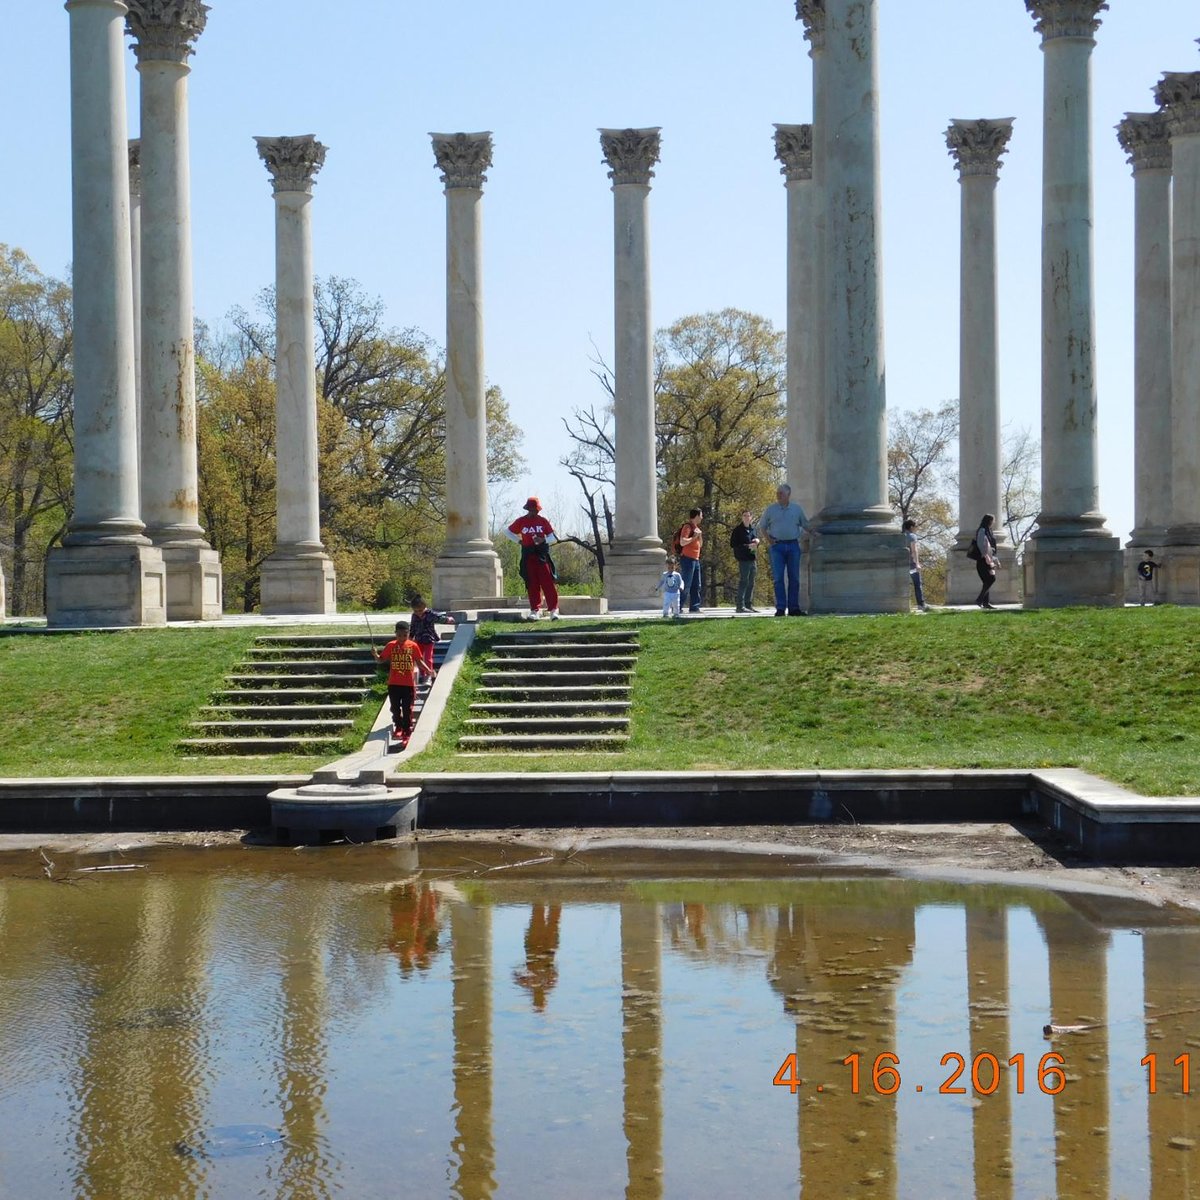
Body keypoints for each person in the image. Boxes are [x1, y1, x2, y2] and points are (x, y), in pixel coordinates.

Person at [374, 619, 436, 741]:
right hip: (393, 684)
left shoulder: (413, 646)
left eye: (405, 635)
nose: (402, 637)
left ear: (408, 633)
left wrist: (428, 670)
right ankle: (398, 727)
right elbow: (381, 660)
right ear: (395, 634)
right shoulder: (391, 645)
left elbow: (419, 661)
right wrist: (375, 654)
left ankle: (407, 731)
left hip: (408, 684)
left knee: (407, 709)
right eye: (399, 635)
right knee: (395, 708)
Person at [505, 497, 560, 620]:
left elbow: (554, 537)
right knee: (532, 583)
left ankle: (553, 610)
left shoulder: (543, 521)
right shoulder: (521, 521)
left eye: (536, 509)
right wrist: (519, 541)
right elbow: (507, 532)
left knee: (548, 582)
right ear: (528, 509)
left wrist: (543, 540)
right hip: (528, 554)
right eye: (532, 509)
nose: (534, 512)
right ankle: (534, 610)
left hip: (541, 555)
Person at [759, 484, 808, 616]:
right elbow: (762, 527)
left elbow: (805, 524)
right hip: (777, 547)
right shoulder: (771, 509)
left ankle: (793, 608)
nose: (778, 495)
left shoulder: (796, 509)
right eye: (777, 493)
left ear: (788, 495)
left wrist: (816, 533)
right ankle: (780, 608)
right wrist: (769, 540)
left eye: (781, 493)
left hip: (793, 546)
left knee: (794, 578)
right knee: (778, 578)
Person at [410, 596, 455, 674]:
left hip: (429, 640)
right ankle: (422, 673)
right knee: (419, 658)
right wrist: (410, 637)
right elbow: (413, 627)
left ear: (425, 607)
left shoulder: (430, 614)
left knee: (428, 658)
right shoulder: (414, 616)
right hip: (418, 640)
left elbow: (439, 618)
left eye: (420, 610)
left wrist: (448, 619)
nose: (418, 613)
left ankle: (428, 674)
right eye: (415, 611)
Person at [730, 510, 761, 613]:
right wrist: (747, 546)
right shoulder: (738, 530)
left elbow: (755, 540)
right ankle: (740, 606)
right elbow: (733, 545)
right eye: (744, 516)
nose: (746, 517)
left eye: (748, 516)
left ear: (751, 517)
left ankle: (748, 604)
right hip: (743, 559)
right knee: (744, 581)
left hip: (752, 558)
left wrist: (757, 541)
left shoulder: (753, 529)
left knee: (751, 582)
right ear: (742, 517)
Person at [675, 508, 704, 613]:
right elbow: (682, 542)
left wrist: (699, 536)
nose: (702, 517)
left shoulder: (697, 528)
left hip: (696, 559)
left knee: (697, 584)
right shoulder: (688, 527)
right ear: (696, 516)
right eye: (701, 515)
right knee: (686, 584)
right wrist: (694, 537)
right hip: (687, 559)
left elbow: (700, 545)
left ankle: (694, 607)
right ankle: (677, 606)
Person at [972, 514, 1000, 609]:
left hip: (989, 560)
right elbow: (981, 544)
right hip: (983, 560)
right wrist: (986, 557)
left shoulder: (990, 531)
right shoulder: (982, 530)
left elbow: (992, 548)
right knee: (991, 579)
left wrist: (996, 560)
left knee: (987, 581)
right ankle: (980, 600)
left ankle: (985, 603)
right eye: (993, 520)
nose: (993, 522)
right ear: (989, 521)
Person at [903, 518, 927, 612]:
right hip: (912, 564)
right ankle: (920, 604)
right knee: (917, 584)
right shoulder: (912, 536)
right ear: (911, 527)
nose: (916, 528)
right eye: (915, 526)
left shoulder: (901, 536)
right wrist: (917, 563)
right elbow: (914, 550)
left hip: (903, 564)